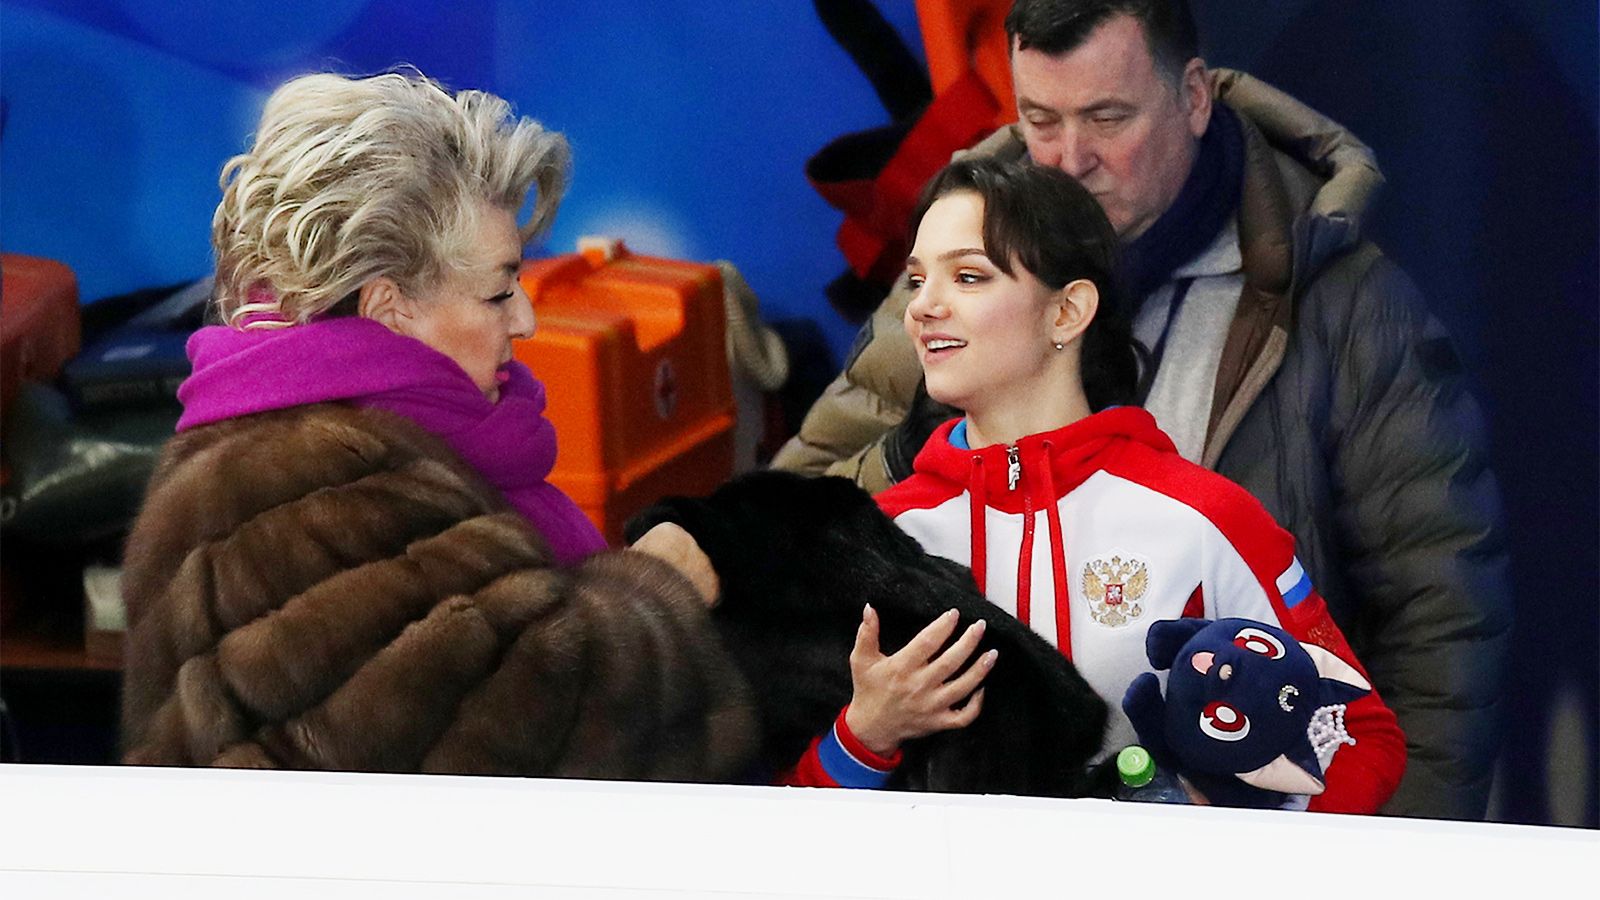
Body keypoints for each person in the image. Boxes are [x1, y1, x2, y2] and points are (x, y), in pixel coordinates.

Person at [771, 0, 1508, 820]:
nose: (1068, 158)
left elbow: (1441, 626)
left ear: (1194, 97)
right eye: (1039, 119)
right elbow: (797, 525)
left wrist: (1387, 858)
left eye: (1107, 117)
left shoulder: (1340, 303)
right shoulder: (951, 268)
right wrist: (860, 721)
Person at [118, 70, 754, 779]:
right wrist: (657, 590)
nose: (527, 319)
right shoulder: (319, 488)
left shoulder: (343, 439)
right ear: (390, 309)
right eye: (497, 292)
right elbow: (516, 741)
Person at [781, 155, 1405, 813]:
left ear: (1068, 311)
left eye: (967, 276)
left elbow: (1357, 737)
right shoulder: (882, 537)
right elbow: (779, 818)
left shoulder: (1203, 518)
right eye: (915, 279)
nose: (923, 308)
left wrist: (1224, 841)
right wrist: (864, 737)